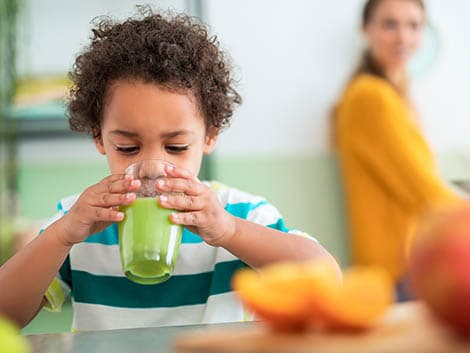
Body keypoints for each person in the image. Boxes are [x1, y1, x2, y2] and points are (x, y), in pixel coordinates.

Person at [0, 9, 338, 331]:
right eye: (127, 148)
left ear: (211, 134)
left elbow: (327, 281)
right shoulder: (80, 221)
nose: (152, 170)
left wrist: (231, 232)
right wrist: (62, 235)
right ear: (98, 137)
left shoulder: (240, 214)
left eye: (176, 147)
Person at [333, 0, 461, 300]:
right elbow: (424, 190)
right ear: (367, 30)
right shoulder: (371, 97)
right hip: (399, 270)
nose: (403, 37)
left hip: (405, 265)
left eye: (414, 26)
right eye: (390, 24)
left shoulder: (393, 95)